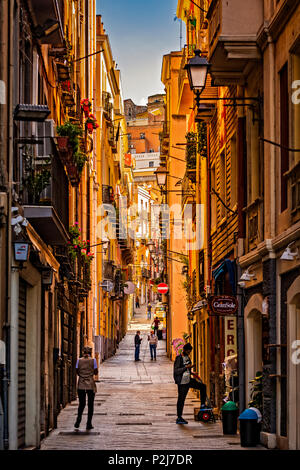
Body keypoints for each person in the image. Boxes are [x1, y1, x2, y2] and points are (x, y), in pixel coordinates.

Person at [173, 343, 207, 425]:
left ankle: (202, 404)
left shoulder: (187, 357)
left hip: (188, 380)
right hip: (182, 382)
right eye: (188, 351)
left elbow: (187, 369)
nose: (189, 353)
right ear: (184, 350)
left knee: (203, 387)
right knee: (181, 399)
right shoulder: (179, 358)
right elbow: (176, 371)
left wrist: (191, 372)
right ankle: (179, 417)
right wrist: (186, 368)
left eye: (190, 351)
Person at [74, 346, 98, 430]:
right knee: (90, 404)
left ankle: (78, 419)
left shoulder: (79, 360)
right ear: (90, 353)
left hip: (81, 383)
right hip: (90, 384)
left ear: (83, 352)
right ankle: (89, 423)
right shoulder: (93, 360)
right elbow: (96, 372)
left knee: (82, 403)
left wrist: (82, 375)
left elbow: (77, 371)